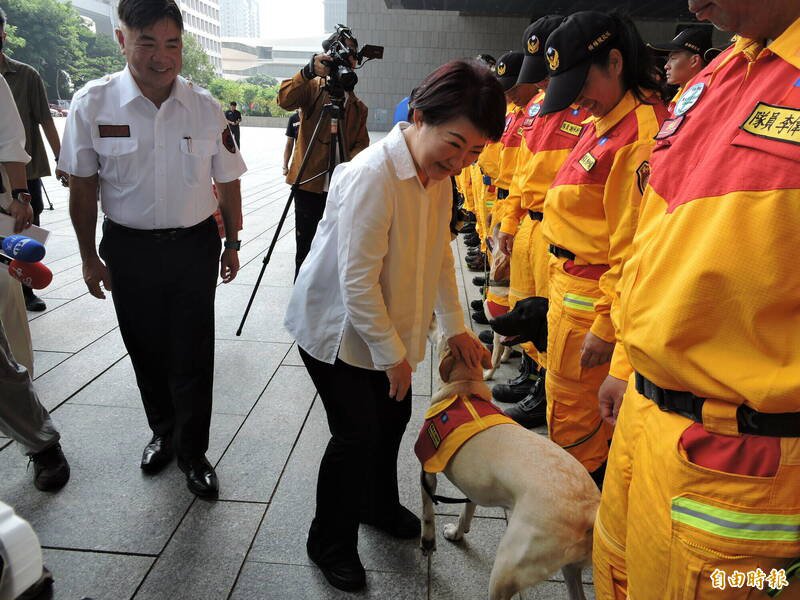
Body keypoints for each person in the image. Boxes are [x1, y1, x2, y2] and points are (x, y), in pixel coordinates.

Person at [593, 2, 800, 598]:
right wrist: (626, 364)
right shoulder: (719, 73)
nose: (692, 5)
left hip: (746, 471)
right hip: (644, 427)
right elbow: (655, 237)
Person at [284, 59, 505, 592]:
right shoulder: (372, 175)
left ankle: (376, 504)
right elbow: (356, 283)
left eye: (474, 152)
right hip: (336, 332)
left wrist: (457, 329)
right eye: (454, 144)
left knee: (393, 417)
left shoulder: (440, 179)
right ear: (421, 116)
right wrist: (393, 356)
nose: (460, 161)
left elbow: (437, 265)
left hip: (386, 329)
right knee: (356, 434)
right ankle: (328, 540)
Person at [59, 0, 246, 499]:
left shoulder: (205, 106)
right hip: (128, 249)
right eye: (148, 43)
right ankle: (162, 430)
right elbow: (83, 187)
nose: (162, 57)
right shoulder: (92, 103)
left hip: (193, 249)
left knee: (193, 350)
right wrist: (87, 257)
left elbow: (227, 183)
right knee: (144, 347)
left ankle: (193, 451)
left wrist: (232, 243)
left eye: (172, 45)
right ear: (122, 40)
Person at [537, 11, 668, 488]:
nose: (579, 102)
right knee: (565, 411)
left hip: (592, 304)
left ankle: (576, 526)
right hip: (571, 290)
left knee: (579, 432)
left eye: (582, 84)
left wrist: (605, 324)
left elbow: (637, 249)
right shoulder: (611, 117)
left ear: (615, 62)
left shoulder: (641, 134)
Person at [0, 74, 69, 492]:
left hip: (8, 206)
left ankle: (41, 443)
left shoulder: (18, 77)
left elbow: (16, 139)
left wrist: (22, 196)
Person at [277, 27, 369, 278]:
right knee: (305, 252)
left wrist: (350, 168)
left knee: (336, 253)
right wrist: (307, 72)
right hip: (308, 186)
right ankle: (302, 308)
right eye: (341, 52)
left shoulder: (358, 107)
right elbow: (284, 99)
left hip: (341, 190)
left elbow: (361, 143)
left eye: (351, 54)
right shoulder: (312, 88)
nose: (348, 59)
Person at [0, 6, 68, 312]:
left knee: (25, 230)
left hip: (24, 170)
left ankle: (26, 289)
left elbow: (45, 120)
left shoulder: (24, 74)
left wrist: (61, 159)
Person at [648, 25, 719, 109]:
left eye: (673, 58)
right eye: (668, 59)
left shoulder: (707, 100)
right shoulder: (679, 97)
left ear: (694, 61)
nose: (666, 66)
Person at [282, 109, 299, 176]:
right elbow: (289, 144)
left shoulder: (315, 116)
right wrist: (285, 166)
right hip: (298, 159)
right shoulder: (293, 118)